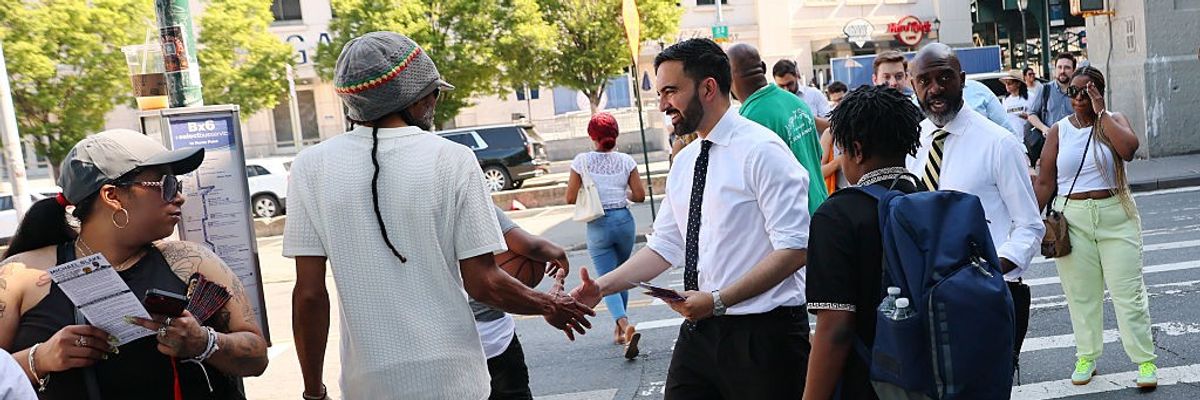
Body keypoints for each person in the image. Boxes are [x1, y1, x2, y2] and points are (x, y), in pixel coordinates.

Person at [285, 32, 594, 400]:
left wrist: (313, 391)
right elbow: (484, 283)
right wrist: (548, 305)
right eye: (432, 92)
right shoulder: (453, 160)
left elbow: (309, 295)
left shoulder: (309, 168)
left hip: (368, 383)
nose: (434, 100)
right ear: (413, 98)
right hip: (453, 378)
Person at [571, 38, 813, 399]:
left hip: (766, 339)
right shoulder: (685, 161)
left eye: (671, 91)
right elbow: (665, 246)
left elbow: (794, 249)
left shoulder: (763, 151)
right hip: (700, 334)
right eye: (659, 94)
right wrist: (601, 287)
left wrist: (718, 300)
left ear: (708, 88)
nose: (662, 104)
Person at [0, 129, 269, 398]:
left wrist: (203, 342)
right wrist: (39, 358)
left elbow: (257, 358)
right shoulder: (20, 276)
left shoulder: (193, 262)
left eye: (177, 185)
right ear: (112, 196)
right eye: (165, 185)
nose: (179, 196)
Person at [906, 43, 1044, 370]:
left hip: (986, 297)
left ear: (963, 79)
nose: (935, 89)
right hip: (926, 298)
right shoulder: (912, 143)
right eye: (924, 81)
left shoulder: (999, 144)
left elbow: (1029, 225)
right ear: (913, 86)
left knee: (985, 386)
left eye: (944, 78)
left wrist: (988, 270)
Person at [1033, 66, 1157, 388]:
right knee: (1081, 295)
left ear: (1099, 92)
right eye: (1073, 91)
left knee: (1128, 294)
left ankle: (1145, 361)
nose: (1078, 97)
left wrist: (1101, 113)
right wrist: (1026, 222)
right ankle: (1086, 356)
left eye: (1086, 91)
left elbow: (1129, 150)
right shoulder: (1059, 130)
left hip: (1116, 216)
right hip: (1072, 220)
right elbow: (1045, 182)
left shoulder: (1114, 120)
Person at [804, 84, 925, 400]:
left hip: (872, 383)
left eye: (841, 150)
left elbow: (836, 328)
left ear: (856, 150)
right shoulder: (928, 198)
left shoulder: (836, 215)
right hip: (931, 378)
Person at [565, 112, 646, 358]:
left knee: (605, 280)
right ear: (616, 135)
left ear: (592, 136)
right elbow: (639, 196)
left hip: (599, 224)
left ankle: (625, 326)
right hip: (624, 222)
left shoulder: (582, 161)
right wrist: (621, 195)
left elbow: (570, 197)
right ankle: (619, 330)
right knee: (621, 275)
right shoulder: (626, 161)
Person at [473, 207, 572, 400]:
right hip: (491, 336)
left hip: (439, 337)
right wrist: (558, 254)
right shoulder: (467, 194)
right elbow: (530, 246)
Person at [729, 43, 828, 214]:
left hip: (795, 220)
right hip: (821, 209)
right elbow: (817, 156)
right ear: (763, 68)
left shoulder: (749, 121)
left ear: (726, 77)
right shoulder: (795, 102)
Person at [1028, 53, 1079, 147]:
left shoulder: (1079, 91)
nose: (1062, 71)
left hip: (1075, 142)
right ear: (1055, 69)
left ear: (1074, 70)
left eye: (1067, 68)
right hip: (1051, 143)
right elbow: (1031, 114)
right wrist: (1044, 129)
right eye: (1059, 67)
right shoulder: (1045, 89)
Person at [1000, 70, 1031, 139]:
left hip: (1027, 137)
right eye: (1006, 83)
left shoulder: (1030, 97)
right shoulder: (1005, 100)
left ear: (1018, 84)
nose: (1007, 85)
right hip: (1012, 137)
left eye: (1010, 83)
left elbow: (1036, 116)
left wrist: (1028, 117)